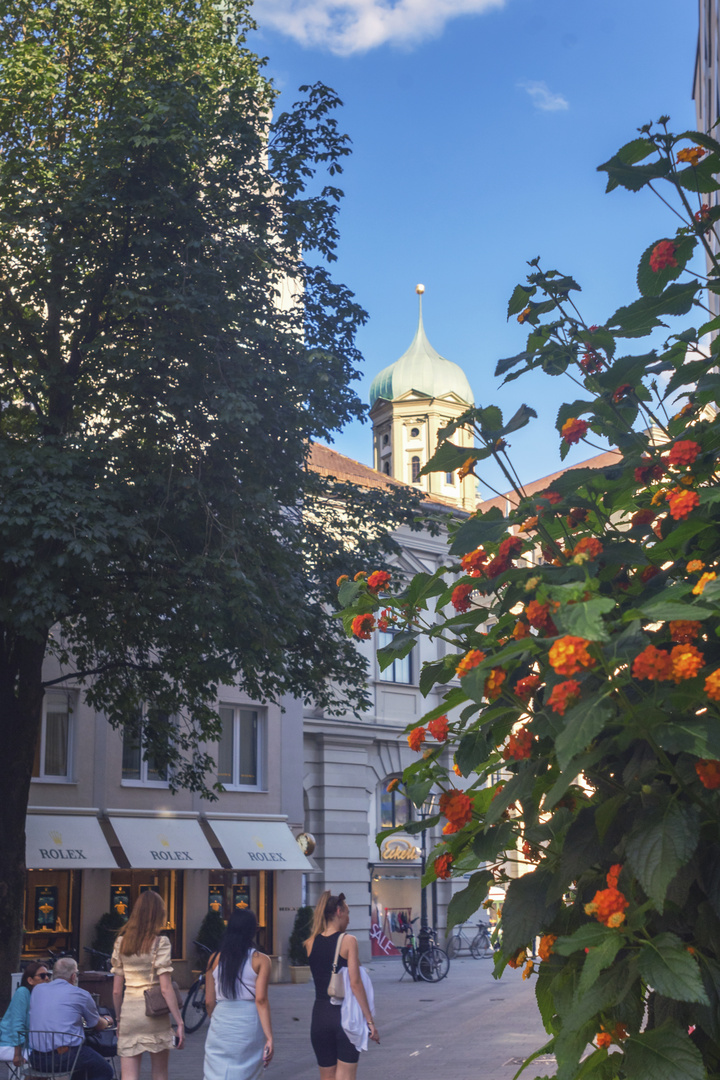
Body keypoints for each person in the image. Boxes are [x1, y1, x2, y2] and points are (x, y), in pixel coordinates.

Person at [305, 892, 379, 1080]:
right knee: (345, 1076)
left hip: (319, 1016)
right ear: (338, 912)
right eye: (347, 912)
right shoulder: (348, 941)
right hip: (343, 1016)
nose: (348, 917)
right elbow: (355, 983)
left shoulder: (310, 943)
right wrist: (369, 1020)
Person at [111, 890, 184, 1080]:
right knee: (159, 1073)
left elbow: (117, 990)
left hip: (129, 1013)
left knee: (128, 1076)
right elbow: (166, 988)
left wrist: (119, 1020)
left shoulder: (121, 942)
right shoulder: (161, 942)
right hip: (154, 1014)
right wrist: (180, 1022)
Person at [203, 908, 273, 1080]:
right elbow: (261, 1000)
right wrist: (269, 1037)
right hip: (249, 1020)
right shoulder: (261, 960)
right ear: (252, 930)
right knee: (247, 1072)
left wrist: (217, 1019)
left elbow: (208, 1001)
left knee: (217, 1072)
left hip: (221, 1019)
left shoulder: (213, 959)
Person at [27, 956, 114, 1080]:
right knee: (105, 1070)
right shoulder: (81, 994)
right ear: (73, 976)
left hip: (36, 1058)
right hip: (63, 1058)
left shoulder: (37, 990)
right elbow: (96, 1024)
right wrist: (107, 1020)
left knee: (83, 1057)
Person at [0, 962, 50, 1067]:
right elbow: (17, 1023)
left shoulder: (40, 998)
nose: (46, 978)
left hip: (29, 1047)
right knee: (45, 1060)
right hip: (9, 1045)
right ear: (30, 980)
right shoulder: (22, 992)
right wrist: (17, 1054)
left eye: (48, 975)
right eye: (42, 975)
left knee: (50, 1060)